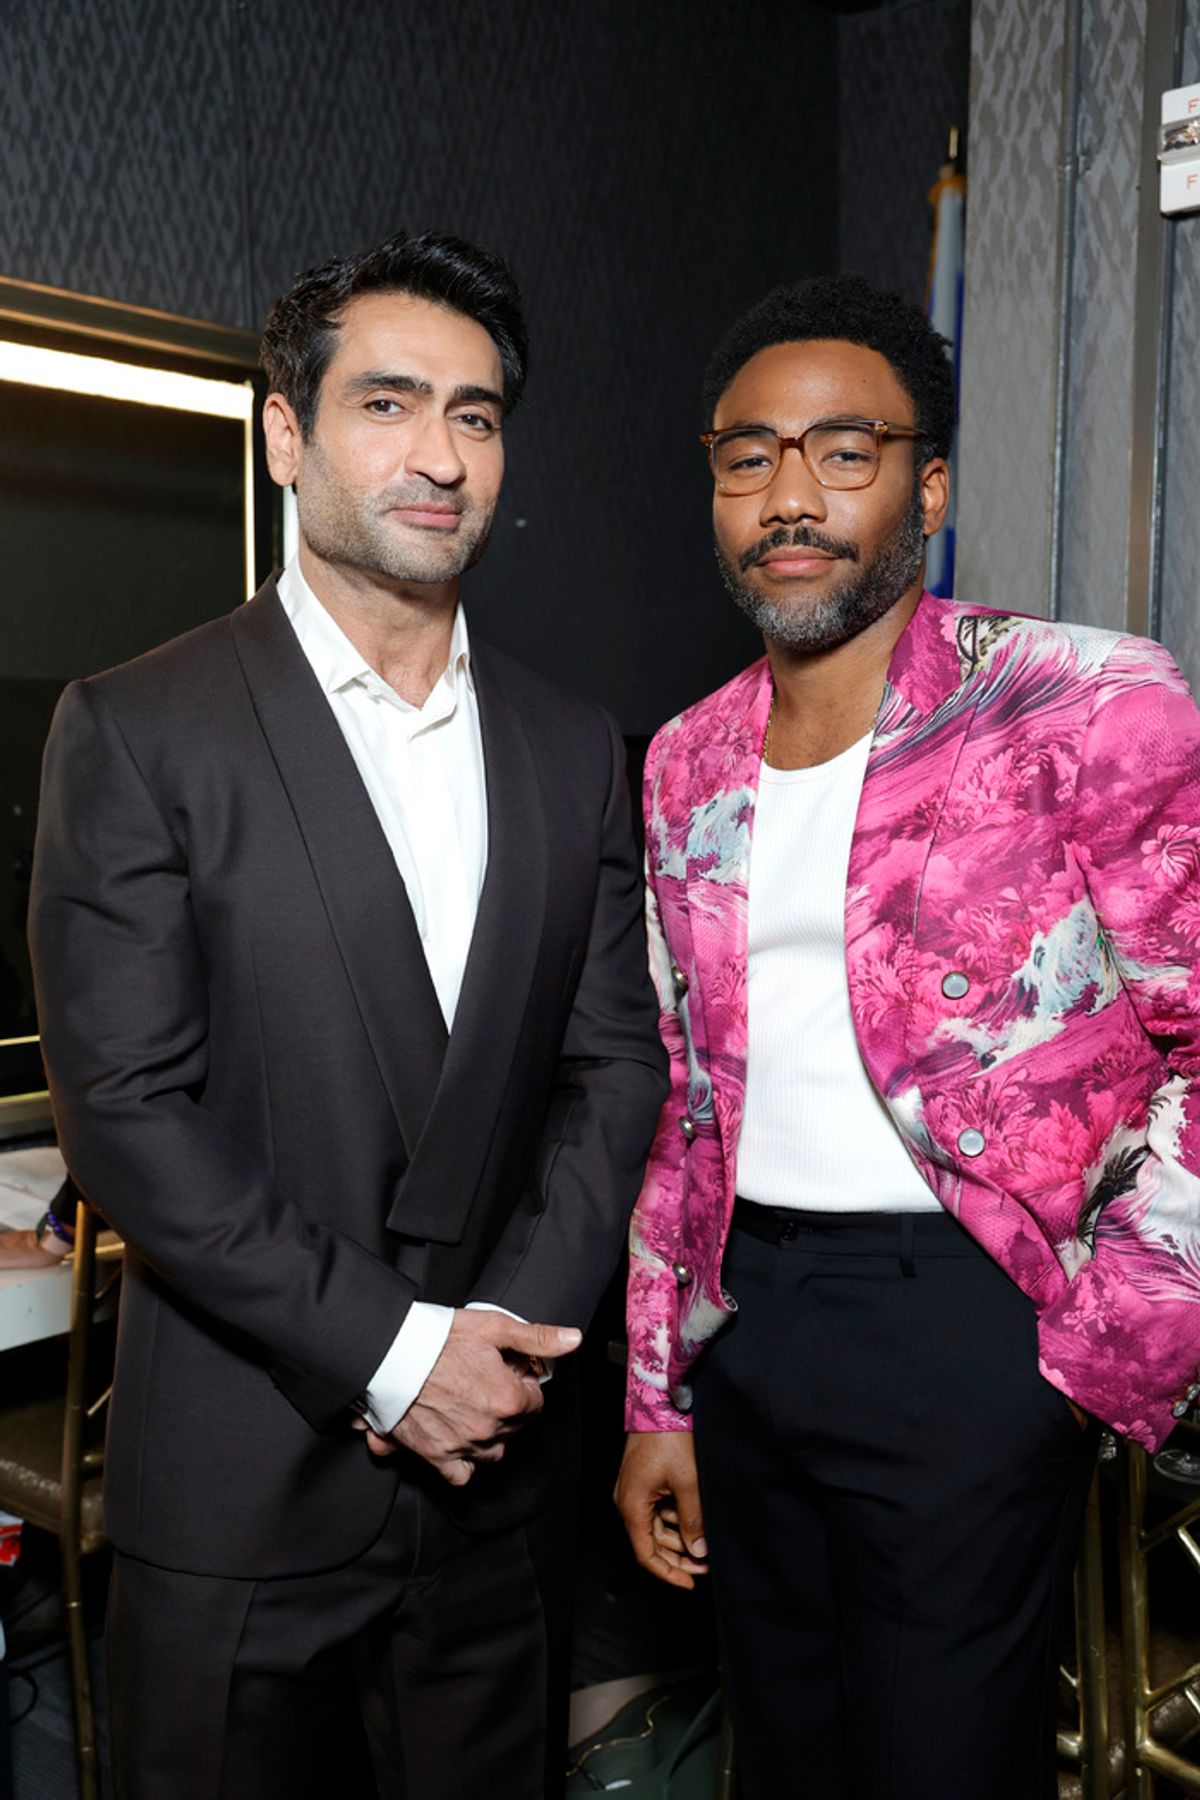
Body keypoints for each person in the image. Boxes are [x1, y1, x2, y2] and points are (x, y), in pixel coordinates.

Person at [30, 229, 667, 1800]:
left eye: (477, 412)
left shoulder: (574, 746)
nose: (440, 455)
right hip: (246, 1490)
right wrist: (394, 1352)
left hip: (504, 1488)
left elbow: (613, 1065)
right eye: (388, 402)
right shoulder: (141, 726)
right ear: (287, 431)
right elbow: (126, 1110)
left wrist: (501, 1349)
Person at [615, 272, 1200, 1800]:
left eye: (842, 451)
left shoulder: (1081, 698)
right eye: (749, 458)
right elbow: (686, 1100)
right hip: (751, 1322)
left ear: (927, 486)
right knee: (786, 1758)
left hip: (972, 1323)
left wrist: (1105, 1336)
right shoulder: (686, 759)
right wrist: (659, 1394)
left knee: (945, 1769)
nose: (789, 498)